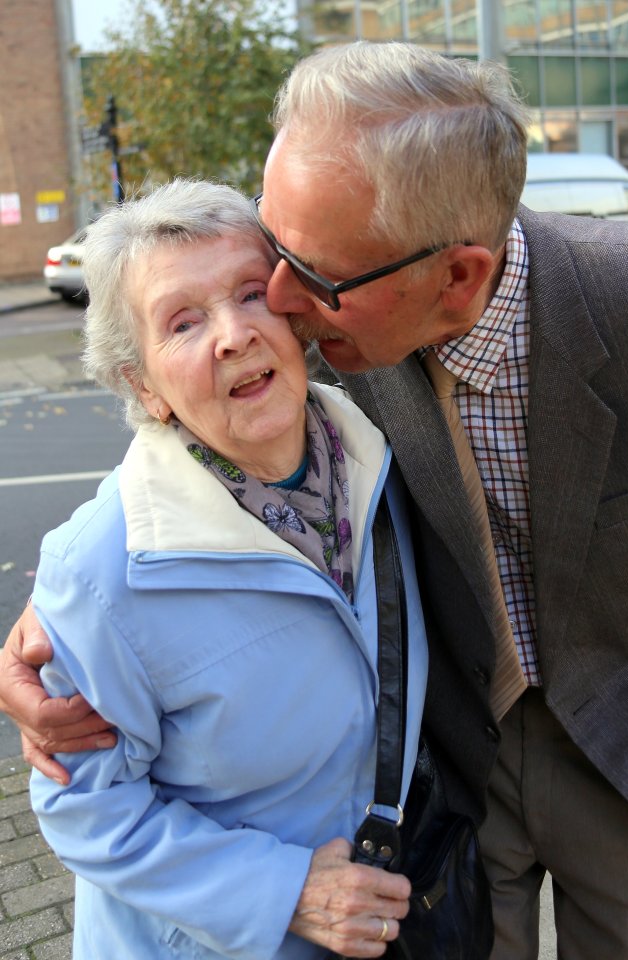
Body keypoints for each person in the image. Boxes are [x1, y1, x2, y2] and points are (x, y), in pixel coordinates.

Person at [2, 40, 628, 959]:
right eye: (276, 246)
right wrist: (64, 617)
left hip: (625, 751)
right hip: (455, 770)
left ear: (454, 280)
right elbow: (191, 464)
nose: (274, 304)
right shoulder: (340, 323)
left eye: (301, 276)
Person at [21, 177, 429, 959]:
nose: (234, 333)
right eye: (183, 322)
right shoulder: (100, 572)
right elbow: (84, 809)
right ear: (143, 384)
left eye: (251, 293)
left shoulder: (379, 449)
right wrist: (287, 894)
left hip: (387, 915)